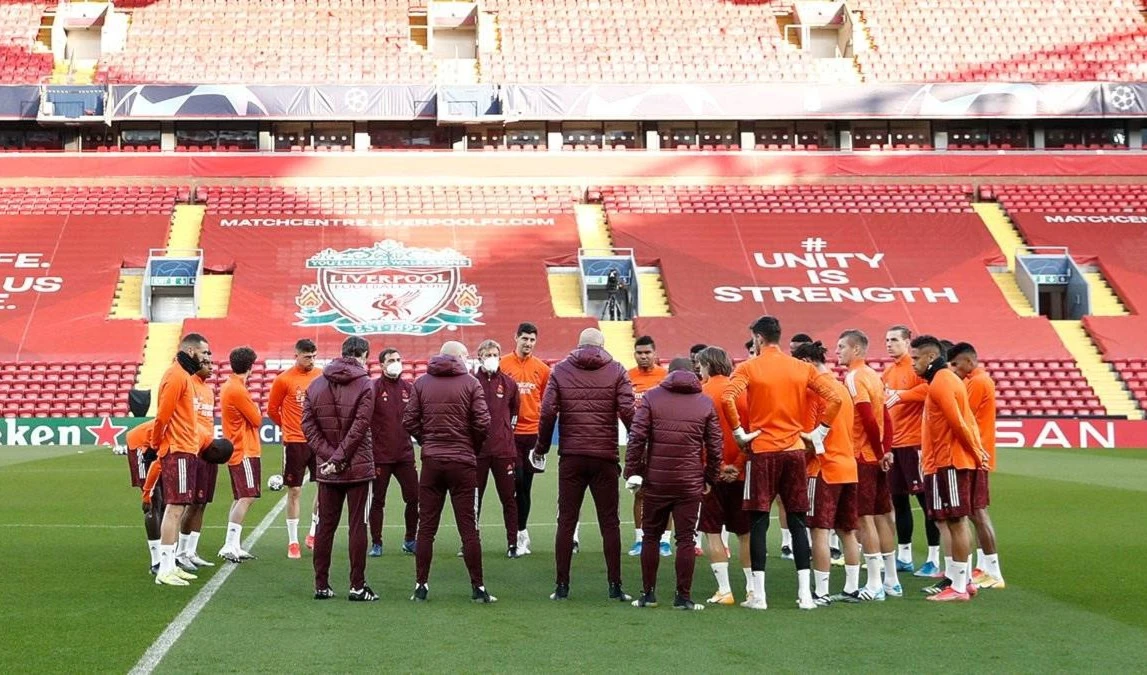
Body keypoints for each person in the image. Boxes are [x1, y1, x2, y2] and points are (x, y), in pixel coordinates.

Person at [720, 316, 842, 610]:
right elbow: (835, 397)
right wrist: (819, 431)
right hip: (794, 449)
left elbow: (727, 398)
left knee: (758, 522)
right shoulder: (800, 368)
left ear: (758, 338)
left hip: (762, 450)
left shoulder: (749, 367)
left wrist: (739, 433)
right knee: (798, 521)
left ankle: (759, 596)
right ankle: (805, 595)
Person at [534, 327, 635, 602]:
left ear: (578, 345)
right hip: (604, 456)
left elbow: (547, 412)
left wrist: (541, 448)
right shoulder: (616, 370)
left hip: (572, 456)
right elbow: (628, 412)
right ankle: (615, 585)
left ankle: (562, 585)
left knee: (566, 521)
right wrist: (638, 450)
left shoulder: (562, 370)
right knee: (610, 522)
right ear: (602, 346)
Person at [624, 358, 722, 611]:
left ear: (669, 373)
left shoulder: (652, 398)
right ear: (693, 373)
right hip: (689, 482)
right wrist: (709, 478)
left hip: (657, 481)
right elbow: (714, 447)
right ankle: (683, 597)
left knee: (651, 537)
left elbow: (637, 438)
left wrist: (633, 473)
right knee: (686, 539)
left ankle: (648, 594)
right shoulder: (704, 402)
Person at [404, 341, 495, 603]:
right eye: (465, 355)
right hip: (463, 463)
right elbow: (483, 422)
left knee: (426, 528)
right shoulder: (470, 383)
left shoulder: (422, 383)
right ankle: (478, 587)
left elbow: (409, 420)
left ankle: (421, 585)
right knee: (469, 529)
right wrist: (470, 446)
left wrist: (427, 441)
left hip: (432, 462)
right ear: (458, 358)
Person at [910, 335, 988, 602]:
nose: (913, 364)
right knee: (954, 522)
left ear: (931, 357)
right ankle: (962, 582)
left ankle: (958, 586)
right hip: (944, 462)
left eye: (915, 358)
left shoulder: (942, 382)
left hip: (950, 462)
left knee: (956, 522)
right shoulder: (945, 380)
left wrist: (977, 452)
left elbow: (958, 423)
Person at [302, 336, 378, 602]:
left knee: (325, 526)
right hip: (356, 465)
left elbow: (308, 427)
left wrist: (330, 457)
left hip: (328, 467)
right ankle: (357, 586)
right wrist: (340, 457)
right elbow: (360, 427)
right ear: (364, 354)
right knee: (358, 525)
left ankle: (321, 585)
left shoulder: (316, 384)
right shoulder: (366, 384)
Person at [791, 341, 861, 605]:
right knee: (847, 530)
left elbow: (809, 438)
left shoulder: (815, 392)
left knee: (819, 530)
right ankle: (852, 588)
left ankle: (820, 592)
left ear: (807, 363)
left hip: (823, 469)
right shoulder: (840, 387)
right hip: (848, 467)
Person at [837, 329, 900, 599]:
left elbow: (868, 419)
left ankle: (874, 584)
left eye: (842, 347)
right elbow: (885, 416)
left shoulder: (854, 377)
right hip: (875, 456)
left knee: (864, 519)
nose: (837, 351)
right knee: (881, 516)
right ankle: (891, 581)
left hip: (861, 455)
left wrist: (877, 449)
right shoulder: (875, 376)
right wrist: (886, 450)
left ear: (856, 350)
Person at [151, 333, 211, 587]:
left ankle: (170, 564)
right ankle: (165, 568)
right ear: (189, 350)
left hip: (185, 448)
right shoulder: (176, 376)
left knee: (178, 508)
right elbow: (162, 415)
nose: (206, 357)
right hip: (178, 449)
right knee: (174, 508)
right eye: (203, 352)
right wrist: (155, 445)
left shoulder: (183, 376)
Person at [882, 325, 942, 576]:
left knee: (926, 502)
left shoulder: (916, 367)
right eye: (886, 340)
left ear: (907, 342)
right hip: (894, 446)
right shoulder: (888, 371)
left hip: (915, 443)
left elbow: (931, 389)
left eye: (894, 340)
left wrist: (901, 394)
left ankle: (934, 558)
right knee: (898, 501)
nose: (889, 344)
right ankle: (904, 556)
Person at [696, 347, 753, 605]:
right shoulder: (742, 392)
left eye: (700, 365)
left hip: (712, 473)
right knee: (745, 532)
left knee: (712, 531)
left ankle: (725, 589)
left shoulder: (701, 394)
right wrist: (739, 465)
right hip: (741, 472)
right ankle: (753, 588)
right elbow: (752, 433)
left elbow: (699, 439)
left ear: (707, 364)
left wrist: (715, 468)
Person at [948, 342, 1004, 589]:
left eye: (956, 363)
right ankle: (985, 567)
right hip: (977, 453)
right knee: (974, 512)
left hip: (976, 454)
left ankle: (993, 571)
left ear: (969, 361)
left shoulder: (977, 382)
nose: (955, 369)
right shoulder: (977, 380)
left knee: (978, 512)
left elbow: (961, 414)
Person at [267, 339, 321, 559]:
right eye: (307, 356)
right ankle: (292, 541)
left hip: (318, 441)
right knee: (295, 490)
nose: (311, 360)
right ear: (296, 355)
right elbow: (272, 409)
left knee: (324, 488)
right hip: (294, 441)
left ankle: (313, 534)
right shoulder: (284, 380)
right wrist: (288, 427)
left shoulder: (321, 376)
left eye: (314, 356)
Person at [500, 322, 550, 556]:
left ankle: (521, 533)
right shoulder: (503, 364)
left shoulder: (542, 369)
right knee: (514, 484)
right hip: (509, 435)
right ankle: (514, 534)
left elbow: (546, 400)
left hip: (532, 434)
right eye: (524, 339)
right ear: (516, 338)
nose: (528, 343)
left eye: (532, 340)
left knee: (525, 486)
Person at [368, 347, 418, 558]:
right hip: (381, 456)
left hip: (405, 455)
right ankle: (377, 542)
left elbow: (416, 419)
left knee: (414, 498)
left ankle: (410, 540)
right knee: (378, 500)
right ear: (381, 365)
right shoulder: (373, 388)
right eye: (391, 360)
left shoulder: (409, 388)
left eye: (398, 359)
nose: (396, 362)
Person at [474, 340, 521, 558]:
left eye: (495, 354)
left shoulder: (509, 384)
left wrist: (505, 433)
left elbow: (514, 413)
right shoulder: (471, 382)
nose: (492, 357)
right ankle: (470, 542)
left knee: (509, 499)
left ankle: (512, 543)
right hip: (478, 452)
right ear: (480, 356)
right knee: (474, 499)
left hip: (504, 451)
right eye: (488, 354)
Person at [219, 346, 263, 563]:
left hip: (237, 447)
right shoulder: (237, 390)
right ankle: (229, 544)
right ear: (250, 366)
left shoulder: (230, 386)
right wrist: (257, 410)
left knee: (240, 497)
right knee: (247, 496)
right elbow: (256, 419)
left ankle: (234, 544)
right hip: (244, 449)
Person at [627, 335, 669, 558]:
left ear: (655, 353)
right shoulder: (628, 376)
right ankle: (639, 539)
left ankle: (664, 541)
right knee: (640, 492)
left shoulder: (665, 377)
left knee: (666, 493)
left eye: (647, 353)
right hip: (638, 444)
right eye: (640, 353)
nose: (644, 357)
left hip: (662, 443)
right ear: (635, 354)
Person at [175, 354, 218, 573]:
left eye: (212, 363)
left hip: (208, 451)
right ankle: (179, 552)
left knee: (202, 503)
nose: (211, 367)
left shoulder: (209, 390)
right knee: (188, 503)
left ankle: (191, 551)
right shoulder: (187, 385)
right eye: (206, 364)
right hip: (191, 450)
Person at [126, 419, 162, 573]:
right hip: (140, 445)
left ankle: (165, 553)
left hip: (154, 447)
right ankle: (156, 561)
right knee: (153, 501)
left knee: (165, 500)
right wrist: (147, 493)